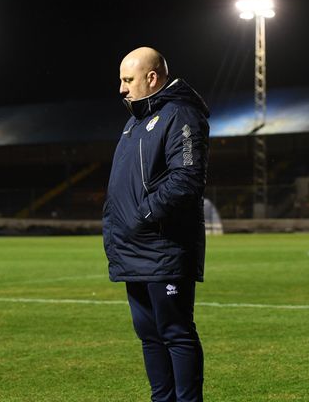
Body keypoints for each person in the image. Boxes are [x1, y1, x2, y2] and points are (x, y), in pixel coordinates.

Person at [102, 46, 209, 402]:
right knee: (148, 335)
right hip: (134, 249)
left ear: (152, 78)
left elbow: (187, 179)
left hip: (163, 247)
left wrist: (141, 216)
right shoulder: (134, 122)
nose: (121, 88)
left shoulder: (181, 114)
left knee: (176, 333)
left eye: (128, 79)